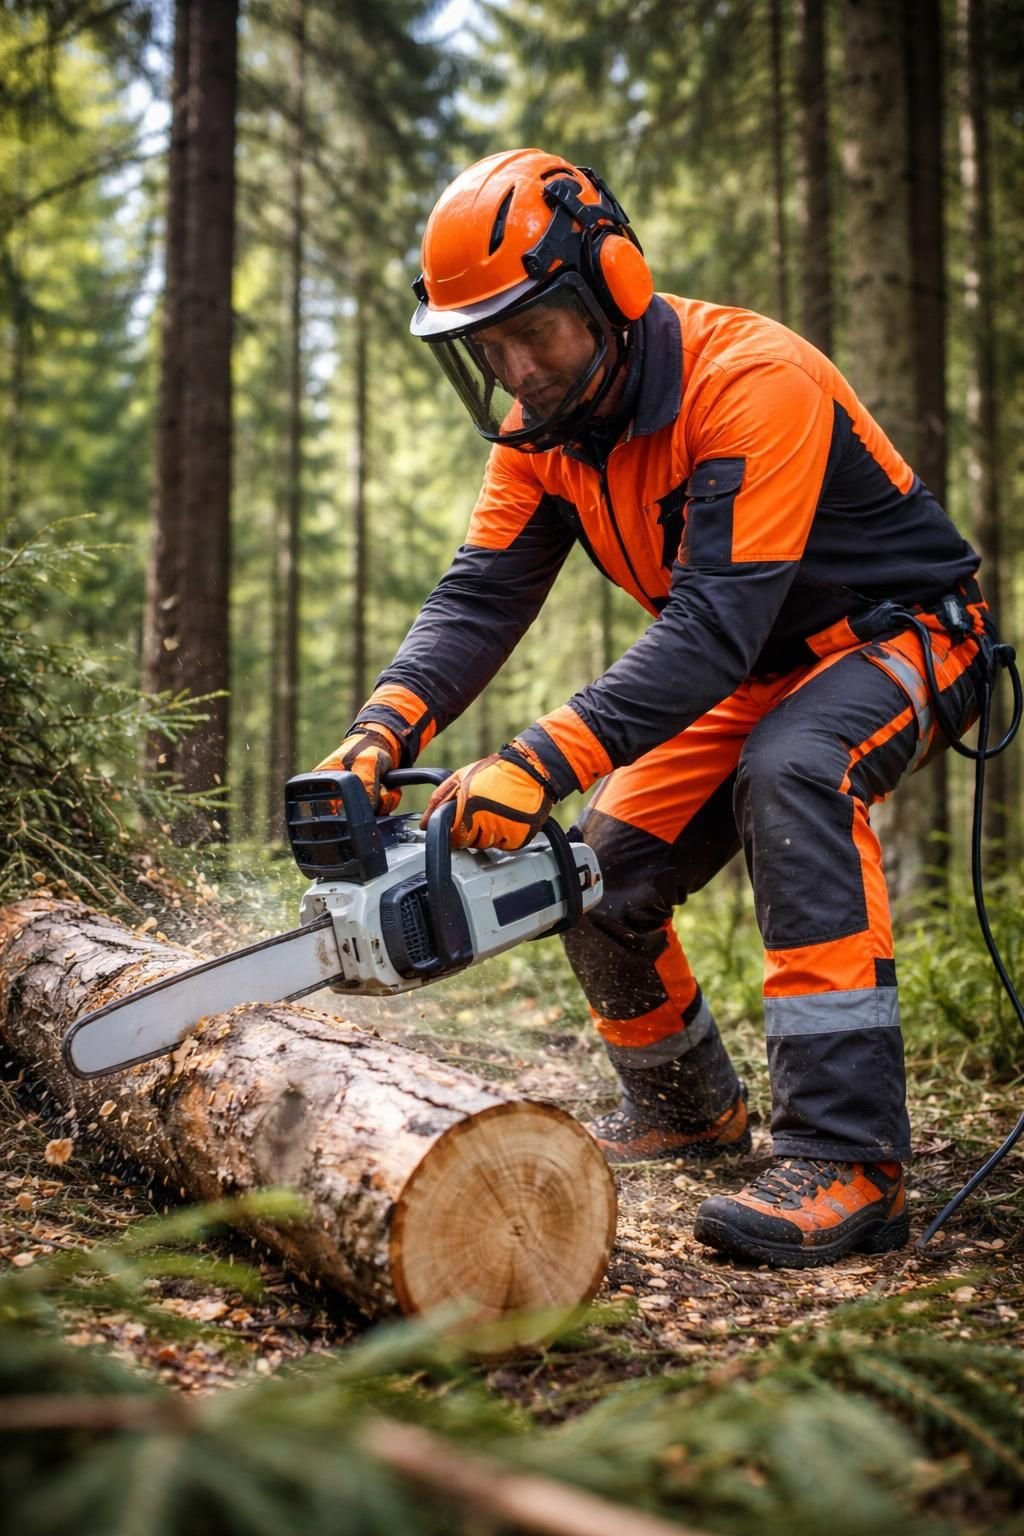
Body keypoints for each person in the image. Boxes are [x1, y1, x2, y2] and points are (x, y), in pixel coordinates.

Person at [315, 147, 993, 1269]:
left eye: (535, 330)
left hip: (900, 637)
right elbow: (478, 596)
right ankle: (687, 1102)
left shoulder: (748, 382)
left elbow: (714, 622)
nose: (517, 368)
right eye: (489, 346)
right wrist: (383, 726)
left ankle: (851, 1159)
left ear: (612, 288)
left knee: (795, 769)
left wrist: (539, 755)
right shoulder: (543, 439)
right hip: (750, 669)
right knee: (596, 870)